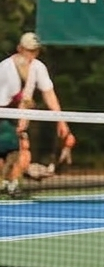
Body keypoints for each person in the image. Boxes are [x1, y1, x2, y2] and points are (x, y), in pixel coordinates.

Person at [0, 32, 74, 197]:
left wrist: (61, 122)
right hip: (4, 116)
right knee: (19, 154)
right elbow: (13, 100)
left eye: (36, 51)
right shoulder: (6, 68)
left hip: (15, 119)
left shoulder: (38, 67)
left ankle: (9, 185)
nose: (32, 54)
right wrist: (19, 119)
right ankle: (9, 184)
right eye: (29, 50)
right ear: (20, 49)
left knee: (22, 154)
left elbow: (49, 94)